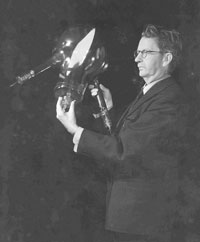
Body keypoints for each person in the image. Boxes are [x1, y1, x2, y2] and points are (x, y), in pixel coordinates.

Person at [56, 24, 189, 242]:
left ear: (167, 58)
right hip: (131, 219)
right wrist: (107, 110)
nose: (137, 58)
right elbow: (126, 142)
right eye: (137, 52)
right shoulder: (151, 94)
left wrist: (74, 129)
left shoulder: (168, 99)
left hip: (142, 222)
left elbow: (124, 152)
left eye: (145, 52)